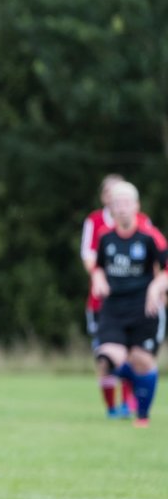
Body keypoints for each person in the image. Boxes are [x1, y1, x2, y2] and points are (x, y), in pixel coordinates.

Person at [89, 181, 168, 428]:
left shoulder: (149, 236)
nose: (121, 208)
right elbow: (98, 266)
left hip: (144, 308)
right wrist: (98, 278)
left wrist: (157, 287)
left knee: (141, 360)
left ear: (136, 206)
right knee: (106, 359)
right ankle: (129, 390)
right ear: (110, 208)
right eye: (116, 204)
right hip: (113, 309)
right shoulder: (105, 237)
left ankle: (142, 415)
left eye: (126, 203)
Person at [81, 174, 149, 418]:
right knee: (106, 357)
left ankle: (130, 402)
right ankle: (112, 407)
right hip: (103, 304)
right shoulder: (95, 222)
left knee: (131, 355)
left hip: (135, 304)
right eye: (111, 192)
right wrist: (99, 277)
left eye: (121, 193)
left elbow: (155, 261)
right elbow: (89, 258)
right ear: (104, 197)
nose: (116, 198)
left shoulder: (142, 223)